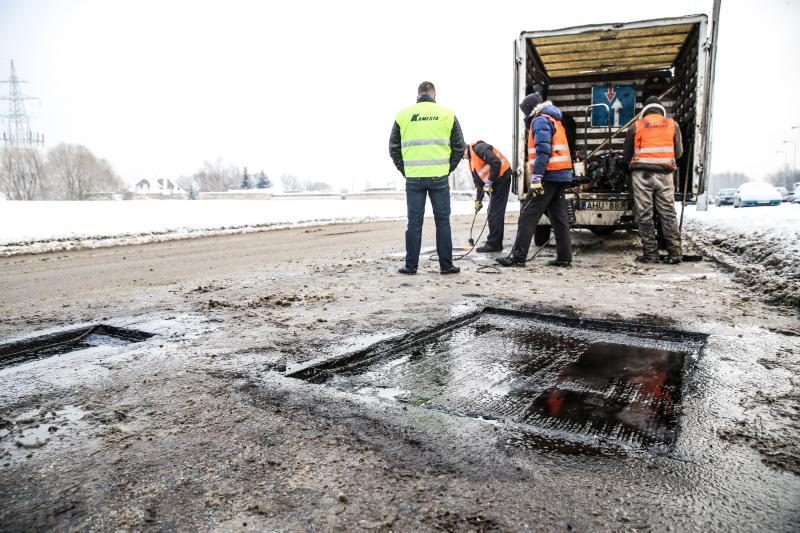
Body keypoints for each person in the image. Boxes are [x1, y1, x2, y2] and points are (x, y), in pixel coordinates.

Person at [389, 81, 465, 275]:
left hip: (414, 178)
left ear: (418, 95)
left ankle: (411, 266)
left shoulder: (403, 115)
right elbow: (459, 146)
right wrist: (447, 168)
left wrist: (405, 170)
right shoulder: (447, 114)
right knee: (443, 222)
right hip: (439, 177)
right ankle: (446, 266)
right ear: (434, 94)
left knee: (414, 222)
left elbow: (393, 148)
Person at [497, 93, 573, 268]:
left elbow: (543, 150)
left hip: (549, 175)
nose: (525, 117)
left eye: (525, 113)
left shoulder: (540, 120)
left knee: (527, 214)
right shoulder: (554, 119)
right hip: (560, 175)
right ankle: (564, 257)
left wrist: (537, 176)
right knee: (559, 217)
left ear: (530, 110)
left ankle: (517, 257)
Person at [623, 95, 684, 264]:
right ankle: (675, 253)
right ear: (661, 110)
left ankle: (651, 254)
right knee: (668, 213)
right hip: (665, 174)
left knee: (644, 215)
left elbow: (626, 155)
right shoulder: (673, 125)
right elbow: (678, 153)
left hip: (642, 174)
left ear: (644, 110)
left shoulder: (636, 126)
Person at [463, 140, 512, 252]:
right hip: (496, 181)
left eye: (461, 155)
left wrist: (489, 182)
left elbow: (496, 163)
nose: (463, 158)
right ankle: (495, 242)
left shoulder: (479, 148)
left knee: (495, 212)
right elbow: (480, 183)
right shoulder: (472, 161)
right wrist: (478, 201)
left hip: (502, 177)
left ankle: (494, 244)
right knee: (492, 211)